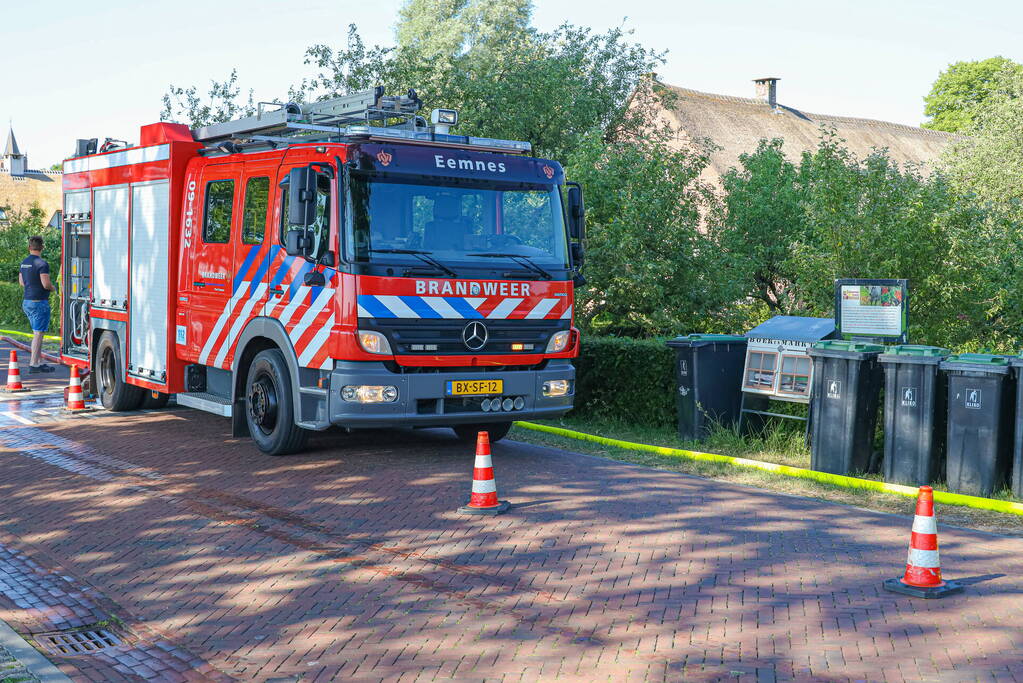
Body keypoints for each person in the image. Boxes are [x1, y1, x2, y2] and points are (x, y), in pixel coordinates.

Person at [18, 235, 56, 373]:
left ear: (29, 247)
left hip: (27, 302)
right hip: (39, 302)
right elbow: (46, 284)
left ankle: (39, 362)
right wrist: (54, 288)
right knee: (38, 334)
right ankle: (33, 364)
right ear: (42, 247)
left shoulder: (24, 263)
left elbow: (22, 283)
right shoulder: (42, 264)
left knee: (37, 333)